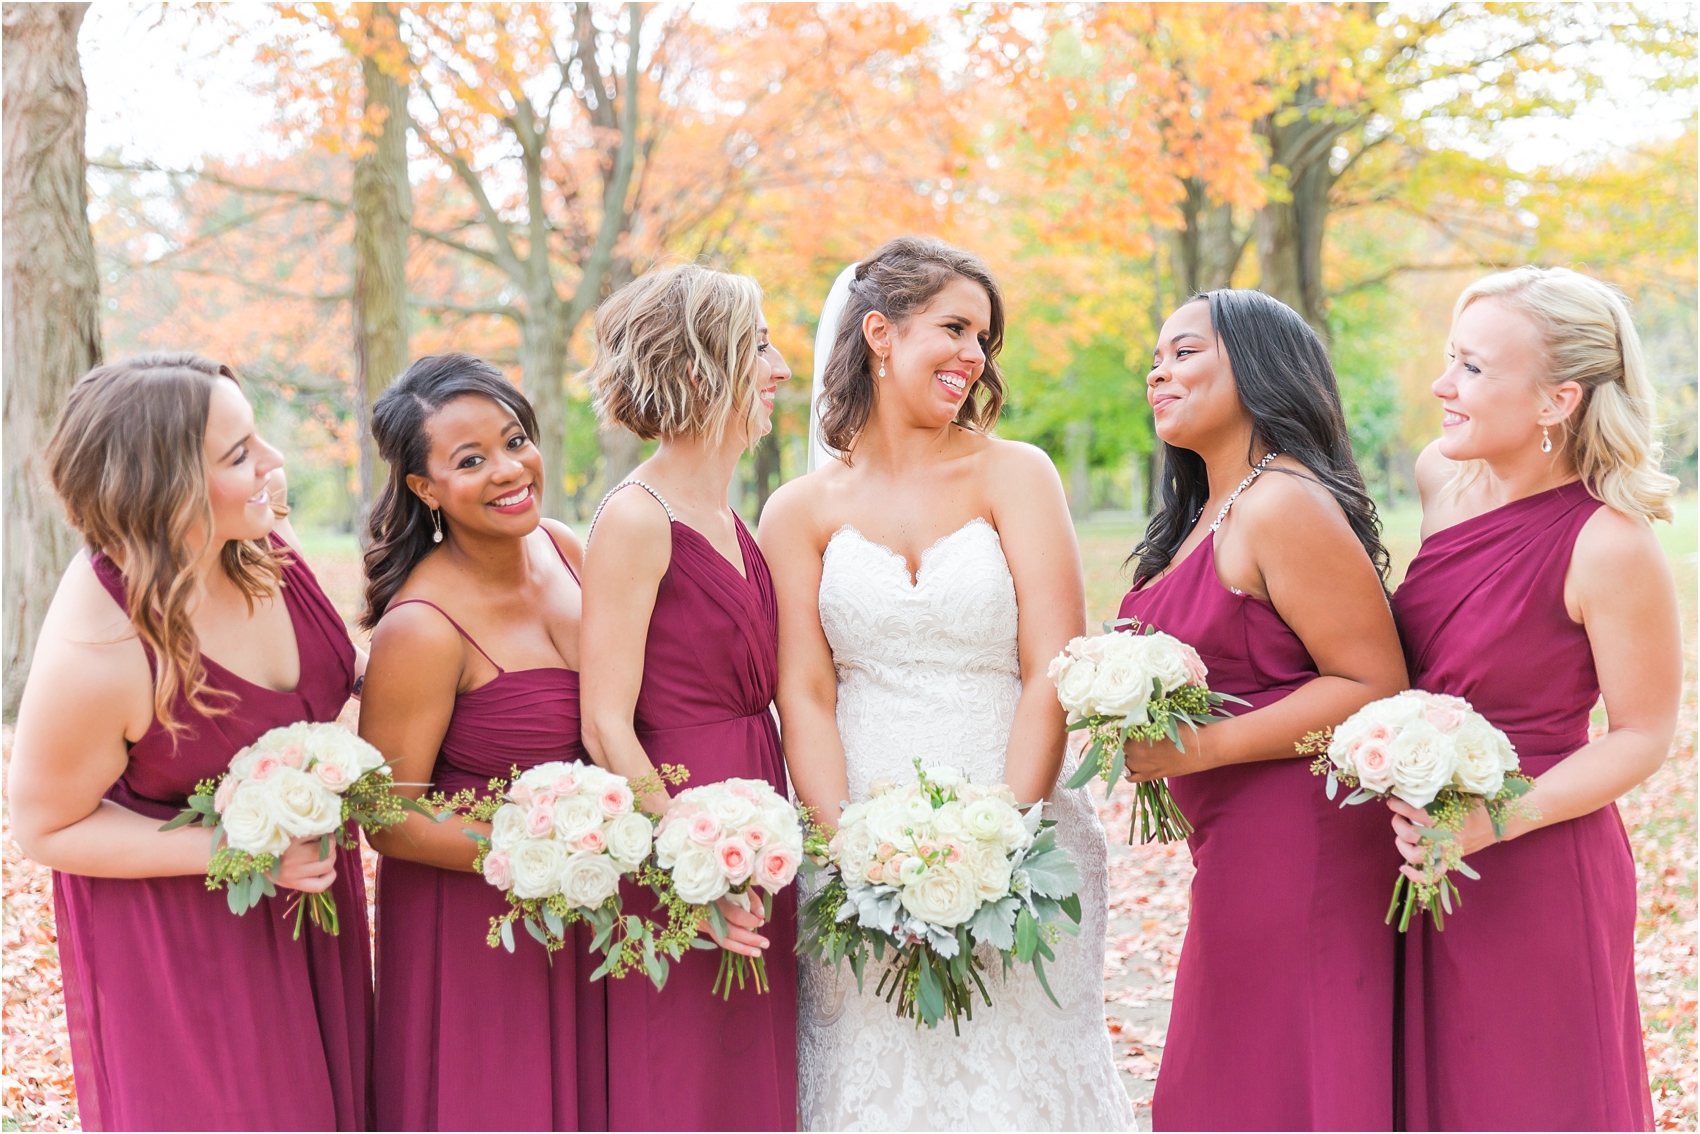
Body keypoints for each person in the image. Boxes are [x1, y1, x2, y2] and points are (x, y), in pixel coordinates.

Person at [761, 236, 1135, 1131]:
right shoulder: (799, 509)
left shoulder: (1017, 474)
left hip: (1019, 825)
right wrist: (849, 852)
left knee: (1020, 1078)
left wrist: (1004, 840)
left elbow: (1054, 664)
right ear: (881, 335)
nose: (974, 355)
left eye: (985, 338)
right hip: (856, 829)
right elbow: (803, 694)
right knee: (875, 1081)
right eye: (955, 327)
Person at [8, 354, 371, 1131]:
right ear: (164, 492)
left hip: (310, 914)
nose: (273, 464)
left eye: (257, 438)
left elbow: (325, 679)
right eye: (239, 455)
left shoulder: (261, 540)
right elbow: (44, 827)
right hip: (186, 948)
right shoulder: (102, 648)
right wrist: (241, 852)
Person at [1390, 267, 1680, 1131]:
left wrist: (1495, 820)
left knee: (1534, 1099)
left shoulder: (1610, 544)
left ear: (1558, 400)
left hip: (1539, 860)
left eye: (1473, 369)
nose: (1443, 386)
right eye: (1450, 359)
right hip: (1415, 847)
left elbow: (1642, 735)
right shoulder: (1440, 477)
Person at [1116, 290, 1409, 1130]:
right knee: (1238, 1081)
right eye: (1156, 356)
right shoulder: (1205, 510)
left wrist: (1198, 752)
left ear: (1256, 366)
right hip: (1237, 846)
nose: (1157, 370)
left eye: (1183, 351)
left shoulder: (1281, 502)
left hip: (1302, 847)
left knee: (1276, 1081)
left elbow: (1372, 683)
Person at [355, 354, 605, 1131]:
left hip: (588, 907)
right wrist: (545, 848)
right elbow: (385, 817)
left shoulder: (564, 547)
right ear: (425, 488)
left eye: (515, 439)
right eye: (471, 461)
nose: (509, 469)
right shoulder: (421, 630)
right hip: (474, 930)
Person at [577, 263, 796, 1131]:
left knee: (752, 1072)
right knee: (689, 1082)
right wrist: (686, 870)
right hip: (683, 823)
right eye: (762, 346)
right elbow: (604, 720)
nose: (780, 369)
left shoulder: (735, 516)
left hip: (756, 807)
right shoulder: (638, 517)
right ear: (708, 366)